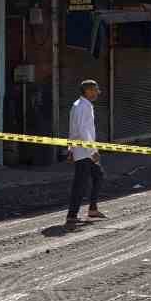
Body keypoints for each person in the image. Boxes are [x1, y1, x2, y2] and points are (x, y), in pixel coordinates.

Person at [65, 79, 106, 228]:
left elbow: (72, 129)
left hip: (81, 150)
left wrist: (69, 148)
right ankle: (71, 216)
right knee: (80, 184)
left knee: (98, 175)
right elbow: (82, 131)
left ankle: (93, 209)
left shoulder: (79, 105)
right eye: (95, 89)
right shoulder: (83, 107)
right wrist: (92, 151)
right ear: (88, 91)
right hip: (84, 152)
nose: (98, 92)